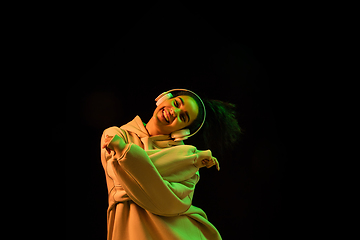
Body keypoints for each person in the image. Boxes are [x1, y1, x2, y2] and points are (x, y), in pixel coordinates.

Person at [100, 89, 241, 240]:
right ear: (163, 98)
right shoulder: (116, 134)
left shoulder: (189, 160)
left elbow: (171, 203)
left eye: (183, 117)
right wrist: (183, 161)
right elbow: (122, 178)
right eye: (176, 103)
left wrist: (125, 152)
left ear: (183, 132)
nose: (174, 112)